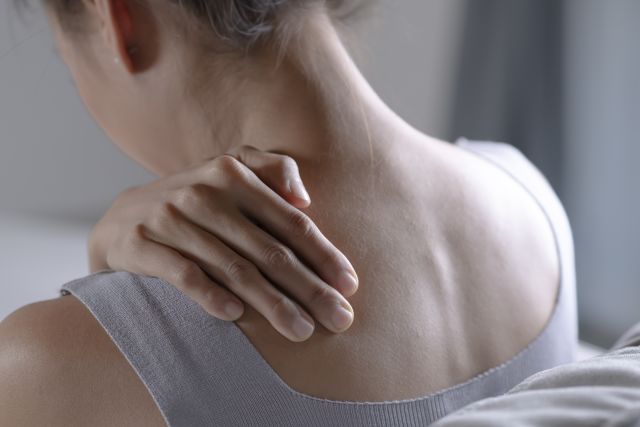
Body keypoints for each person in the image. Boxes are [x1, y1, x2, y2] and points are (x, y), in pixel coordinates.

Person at [0, 0, 577, 425]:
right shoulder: (532, 203)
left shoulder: (41, 364)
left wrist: (114, 306)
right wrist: (112, 278)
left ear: (117, 22)